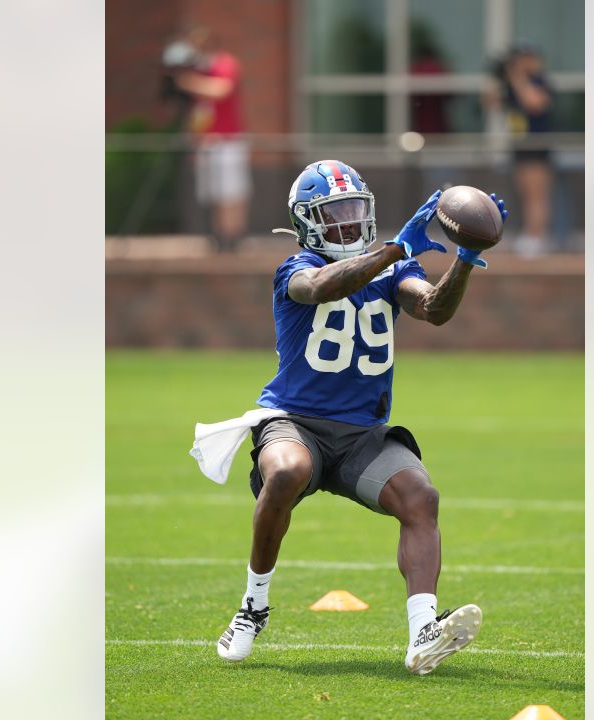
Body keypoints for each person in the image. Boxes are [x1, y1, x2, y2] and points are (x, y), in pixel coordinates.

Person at [195, 160, 508, 675]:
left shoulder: (392, 266)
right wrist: (394, 250)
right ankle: (253, 605)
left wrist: (466, 259)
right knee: (286, 470)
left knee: (420, 496)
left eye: (353, 210)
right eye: (332, 213)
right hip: (295, 420)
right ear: (306, 222)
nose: (345, 222)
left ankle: (423, 633)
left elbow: (432, 309)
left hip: (363, 434)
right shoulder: (294, 268)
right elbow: (322, 287)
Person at [171, 27, 249, 253]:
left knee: (231, 192)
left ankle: (233, 237)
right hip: (207, 142)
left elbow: (221, 89)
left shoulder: (225, 63)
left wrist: (187, 82)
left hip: (228, 141)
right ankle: (218, 237)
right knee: (214, 194)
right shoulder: (198, 70)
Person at [487, 44, 556, 257]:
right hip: (519, 146)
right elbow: (491, 102)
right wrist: (500, 78)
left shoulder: (539, 82)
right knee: (525, 194)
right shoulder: (513, 86)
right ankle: (530, 234)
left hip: (537, 146)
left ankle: (538, 238)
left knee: (538, 194)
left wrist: (518, 77)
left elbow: (534, 103)